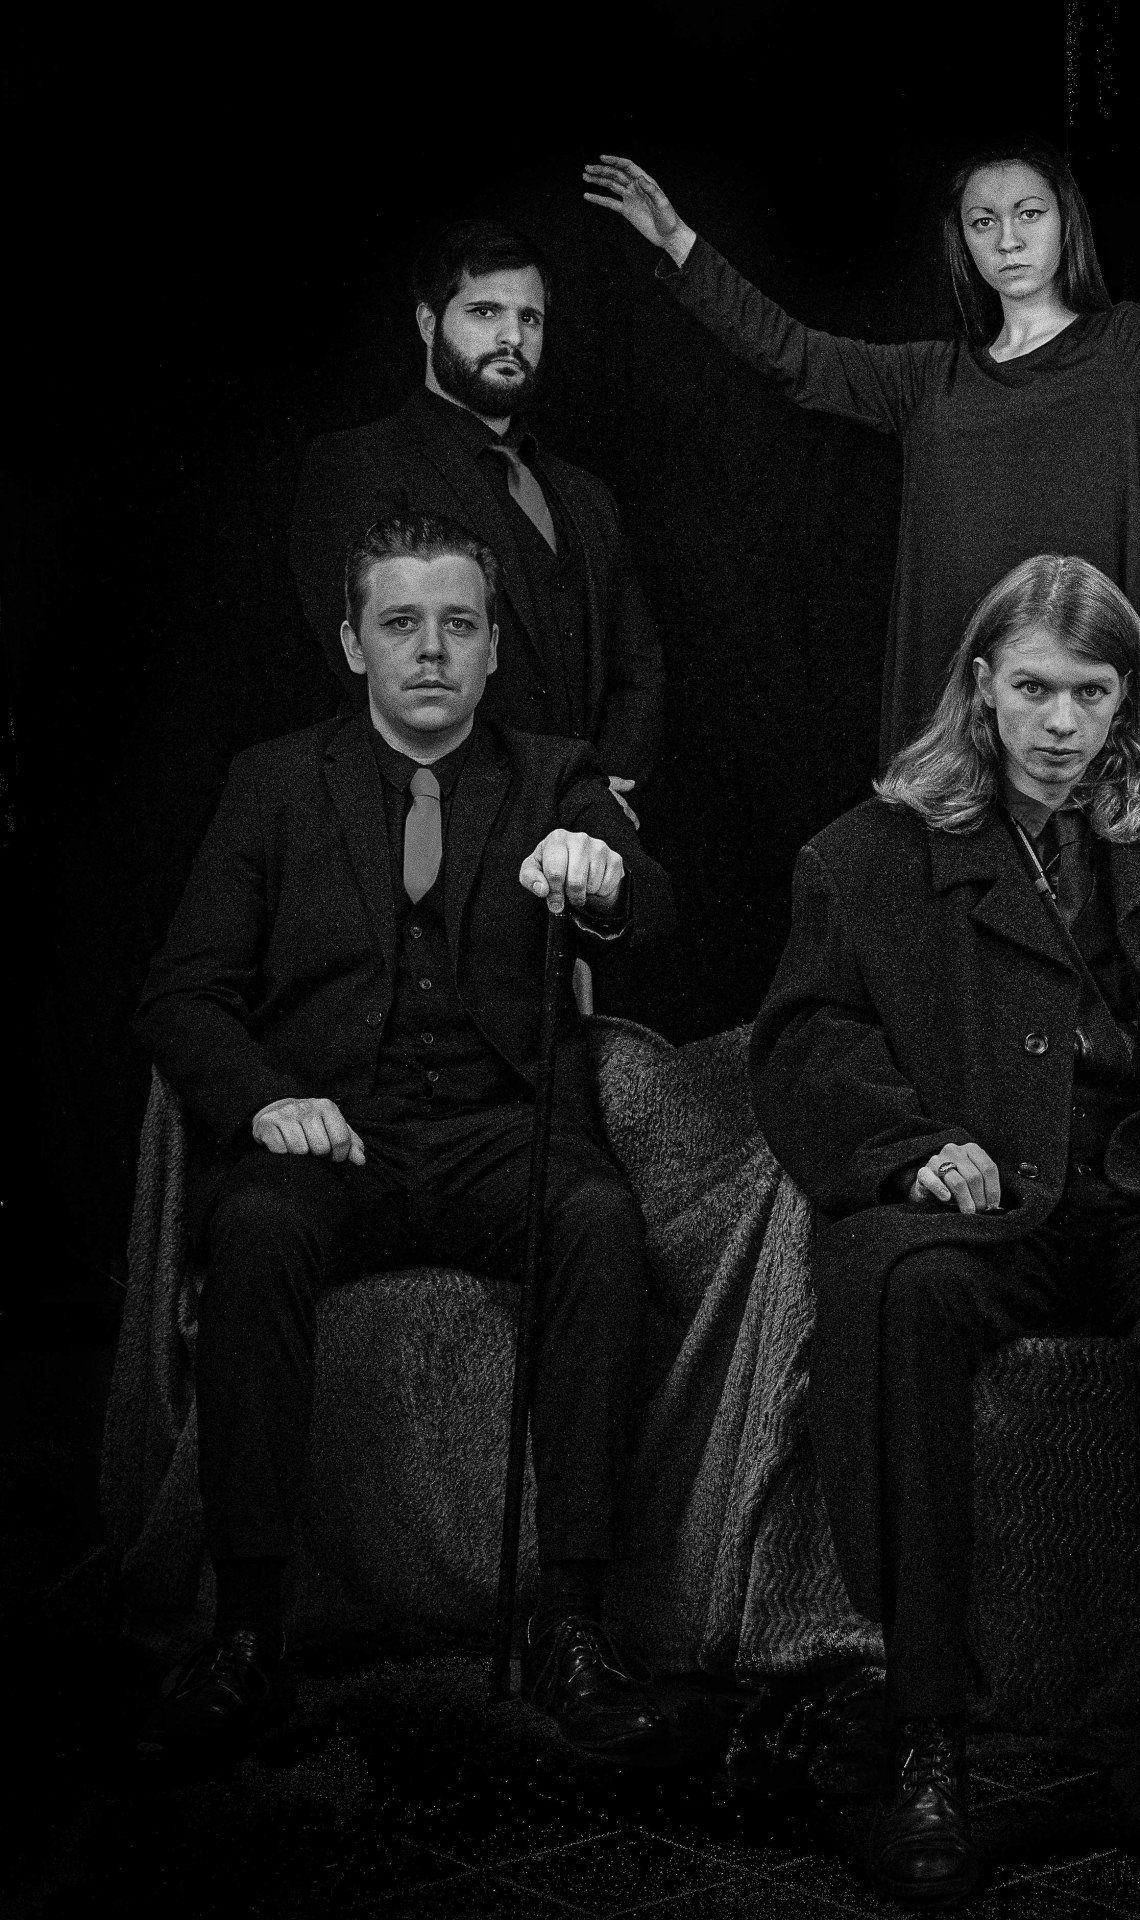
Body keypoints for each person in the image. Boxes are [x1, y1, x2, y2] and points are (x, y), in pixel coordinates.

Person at [749, 554, 1140, 1901]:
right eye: (1033, 688)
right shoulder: (870, 854)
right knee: (904, 1295)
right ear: (981, 686)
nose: (1059, 722)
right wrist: (913, 1152)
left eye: (1090, 693)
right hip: (990, 1197)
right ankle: (928, 1738)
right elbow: (806, 1042)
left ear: (1126, 699)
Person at [135, 514, 678, 1766]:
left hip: (501, 1132)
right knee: (256, 1227)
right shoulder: (275, 783)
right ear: (352, 644)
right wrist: (263, 1099)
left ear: (492, 649)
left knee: (598, 1219)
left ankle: (575, 1624)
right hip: (336, 1135)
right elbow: (182, 992)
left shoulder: (553, 773)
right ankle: (249, 1635)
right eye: (400, 623)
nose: (430, 651)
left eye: (458, 625)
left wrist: (605, 875)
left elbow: (649, 903)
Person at [584, 143, 1140, 760]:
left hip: (1082, 709)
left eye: (1028, 214)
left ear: (1066, 224)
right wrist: (680, 243)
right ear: (966, 245)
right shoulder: (927, 380)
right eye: (984, 222)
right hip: (960, 715)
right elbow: (793, 355)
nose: (1007, 238)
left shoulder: (1129, 350)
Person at [291, 220, 666, 806]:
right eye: (485, 312)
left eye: (530, 318)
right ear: (428, 323)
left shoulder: (586, 495)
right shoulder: (359, 464)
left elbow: (637, 668)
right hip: (439, 816)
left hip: (587, 823)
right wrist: (525, 798)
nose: (512, 336)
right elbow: (379, 668)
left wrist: (599, 791)